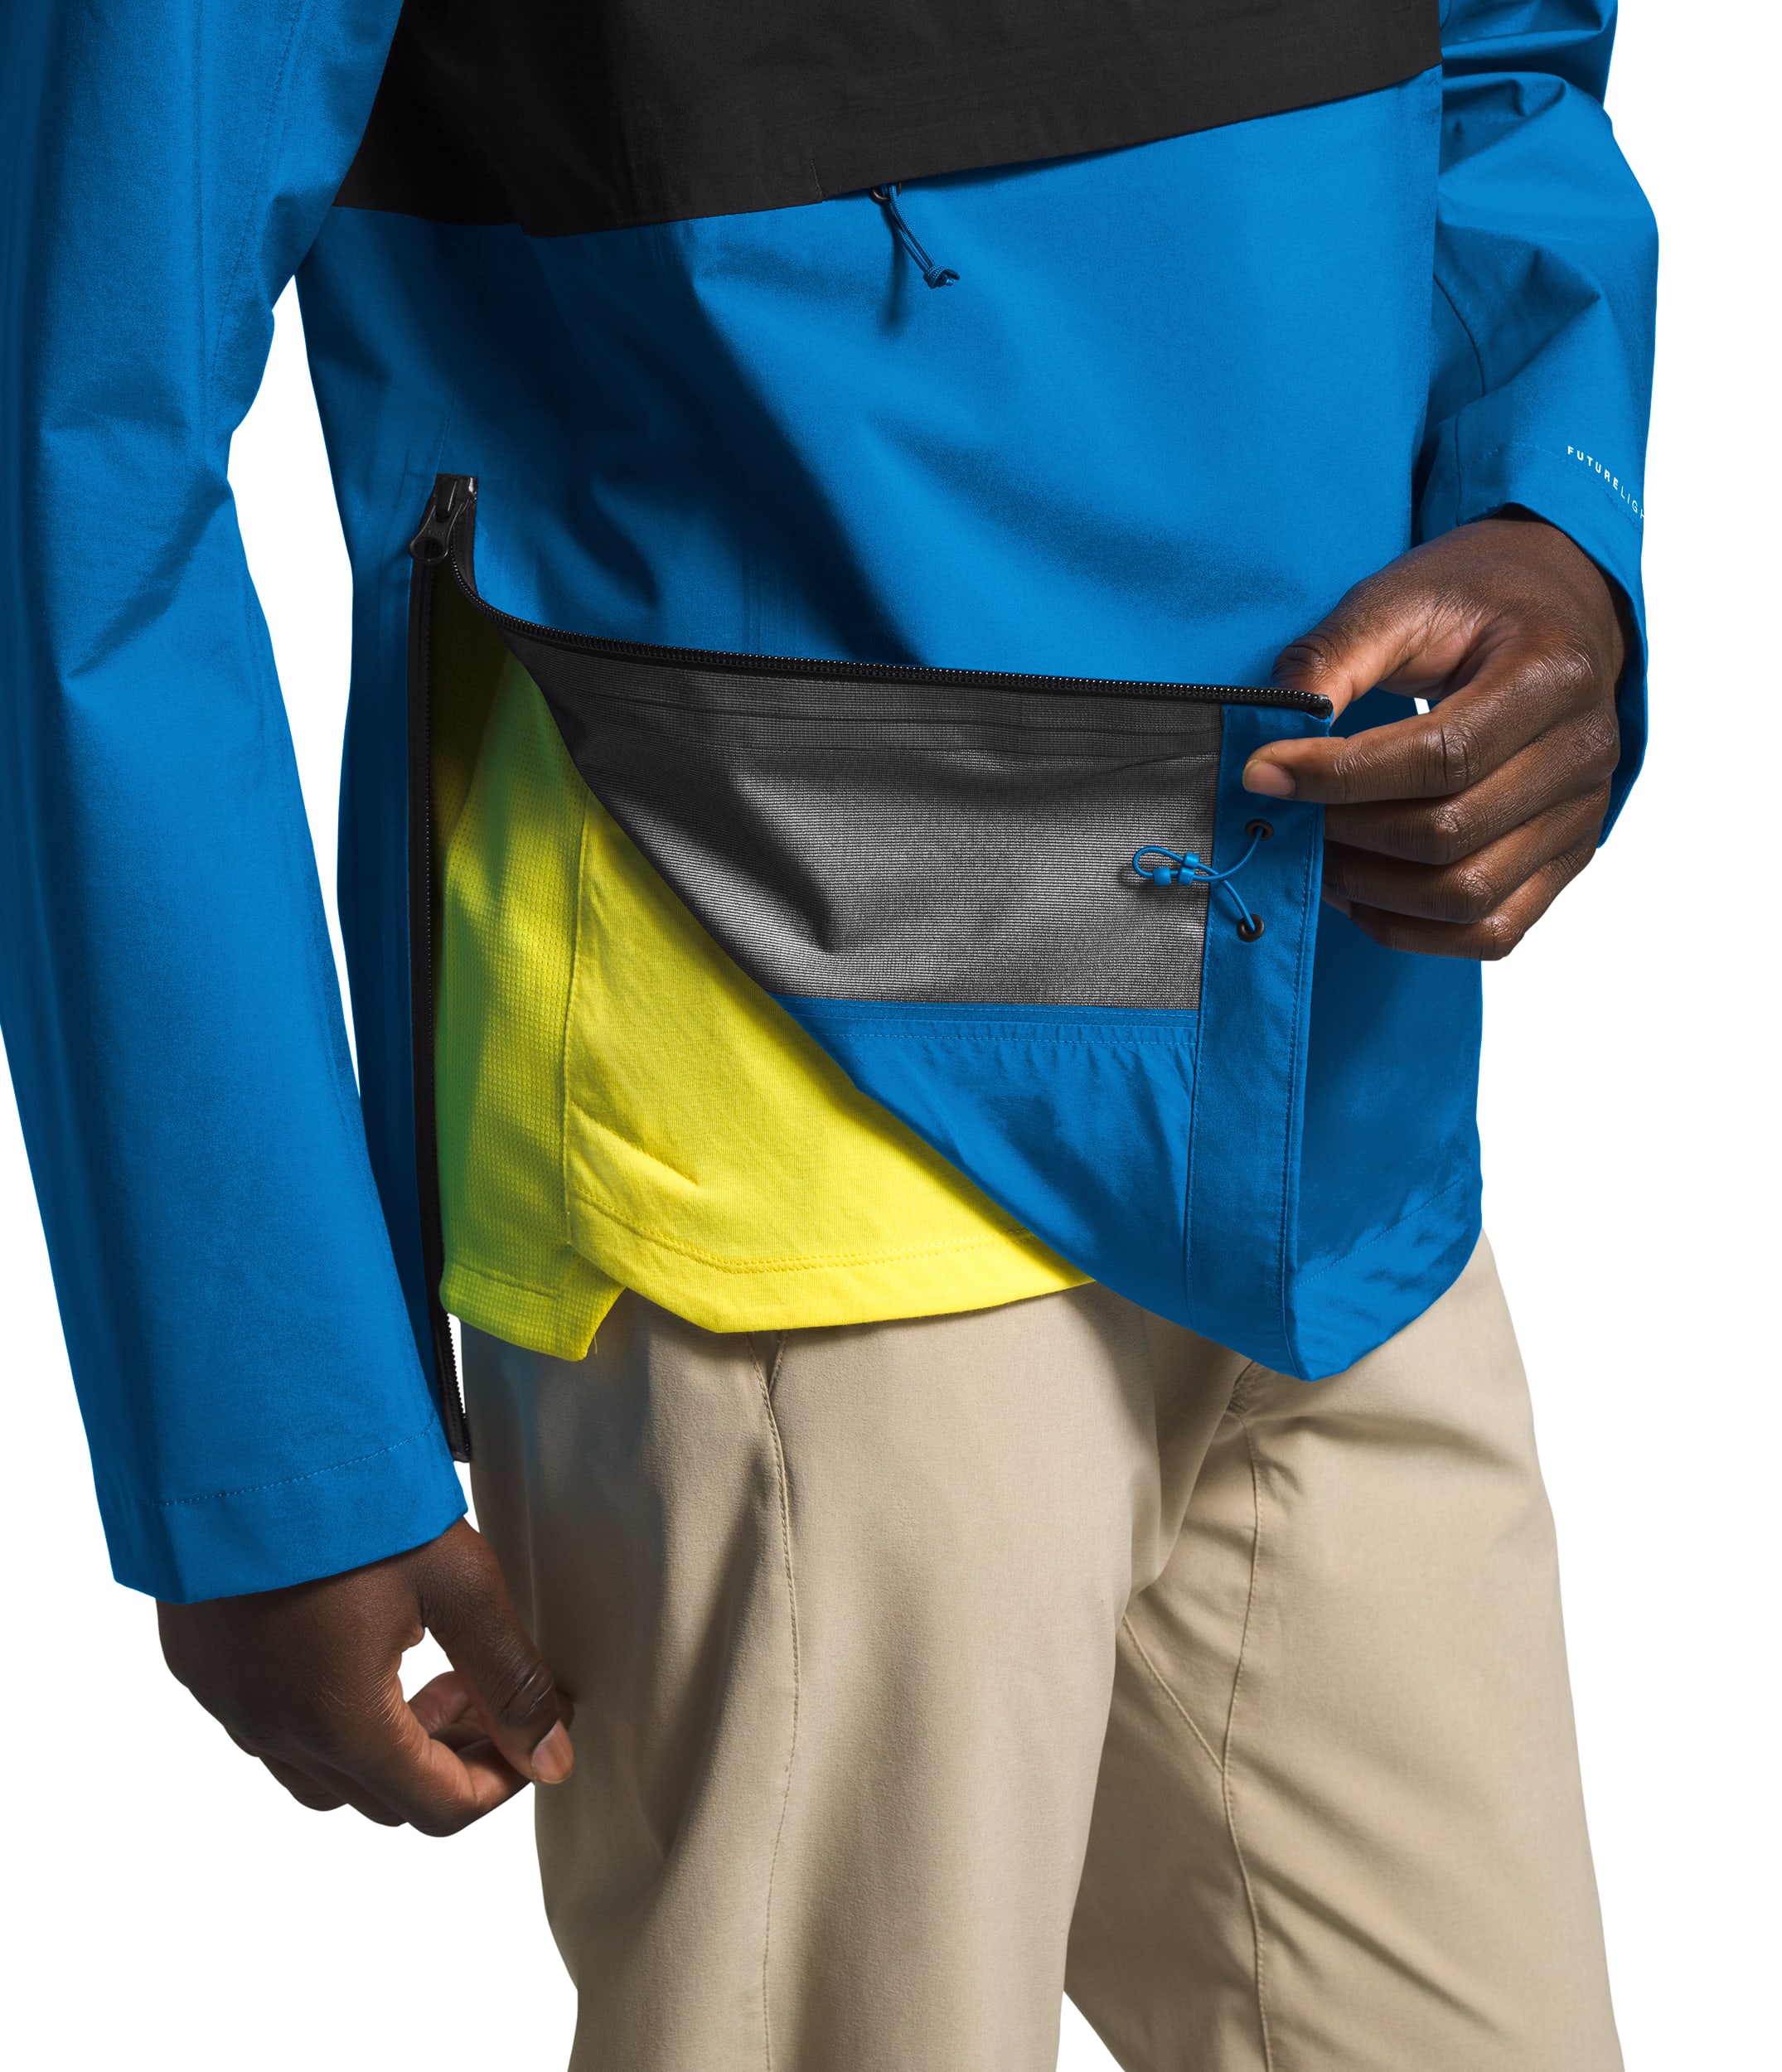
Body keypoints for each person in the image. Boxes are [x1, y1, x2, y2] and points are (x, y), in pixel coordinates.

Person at [1, 2, 1655, 2066]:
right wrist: (261, 1437)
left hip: (1326, 1085)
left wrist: (1549, 503)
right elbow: (85, 422)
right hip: (779, 1112)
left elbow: (1497, 47)